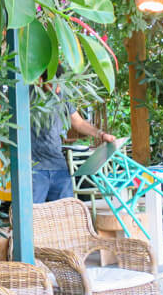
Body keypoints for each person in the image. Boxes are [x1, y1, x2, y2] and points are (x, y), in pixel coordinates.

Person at [31, 75, 115, 203]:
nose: (58, 89)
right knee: (33, 218)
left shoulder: (63, 98)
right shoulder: (27, 97)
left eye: (60, 84)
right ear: (41, 80)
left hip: (59, 167)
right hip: (33, 169)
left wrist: (102, 135)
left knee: (66, 215)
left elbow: (79, 123)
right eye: (54, 84)